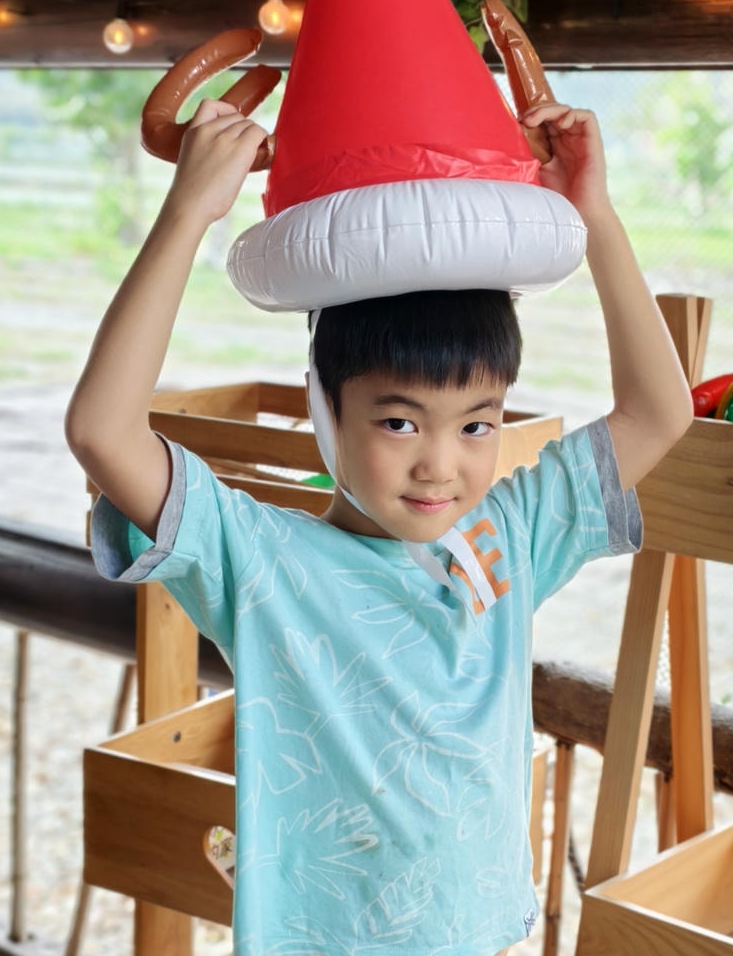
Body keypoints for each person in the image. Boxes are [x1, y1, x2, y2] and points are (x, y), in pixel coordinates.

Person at [65, 94, 693, 956]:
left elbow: (662, 413)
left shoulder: (507, 534)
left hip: (485, 936)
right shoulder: (260, 562)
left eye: (477, 424)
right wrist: (186, 215)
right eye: (399, 422)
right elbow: (102, 430)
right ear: (325, 410)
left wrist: (596, 217)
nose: (442, 464)